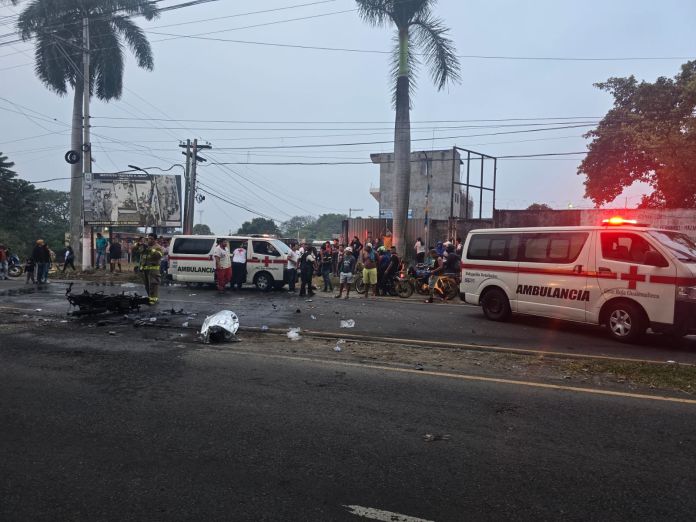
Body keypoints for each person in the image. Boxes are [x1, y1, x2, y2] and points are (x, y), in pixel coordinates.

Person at [139, 233, 164, 305]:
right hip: (145, 270)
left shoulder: (157, 247)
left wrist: (151, 249)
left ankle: (153, 301)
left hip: (153, 270)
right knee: (147, 286)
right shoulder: (146, 246)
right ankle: (150, 298)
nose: (149, 240)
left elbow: (158, 255)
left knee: (153, 286)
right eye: (148, 238)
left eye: (151, 239)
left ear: (155, 240)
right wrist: (140, 246)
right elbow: (138, 252)